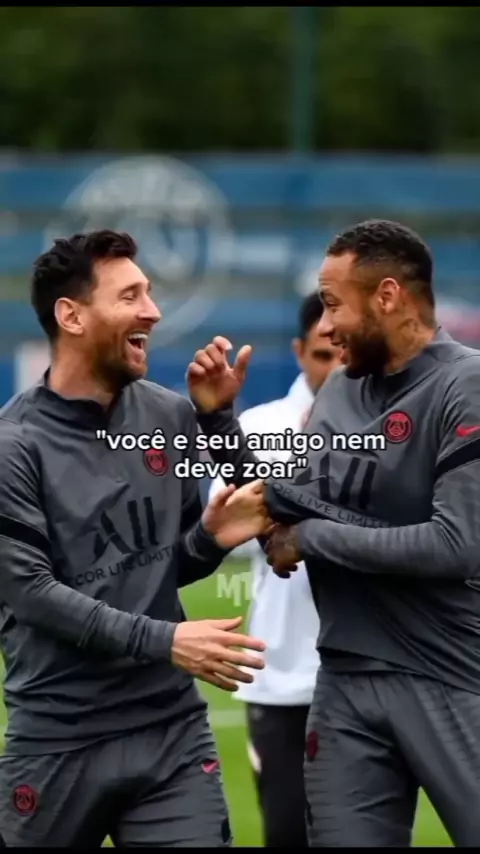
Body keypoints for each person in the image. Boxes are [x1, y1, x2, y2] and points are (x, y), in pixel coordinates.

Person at [186, 219, 480, 847]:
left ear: (388, 296)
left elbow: (455, 545)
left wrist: (313, 540)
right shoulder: (342, 389)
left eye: (332, 303)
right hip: (343, 681)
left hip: (450, 676)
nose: (325, 326)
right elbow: (287, 509)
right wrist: (219, 425)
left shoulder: (466, 385)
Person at [0, 229, 272, 847]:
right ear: (71, 316)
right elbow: (31, 592)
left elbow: (163, 566)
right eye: (130, 296)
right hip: (58, 739)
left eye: (148, 293)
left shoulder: (170, 416)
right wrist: (167, 640)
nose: (152, 311)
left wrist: (209, 538)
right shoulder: (13, 445)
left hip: (171, 732)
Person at [208, 293, 340, 847]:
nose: (334, 367)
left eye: (342, 352)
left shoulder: (393, 425)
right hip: (283, 673)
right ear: (298, 351)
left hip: (369, 669)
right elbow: (226, 528)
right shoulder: (259, 426)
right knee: (285, 832)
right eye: (321, 354)